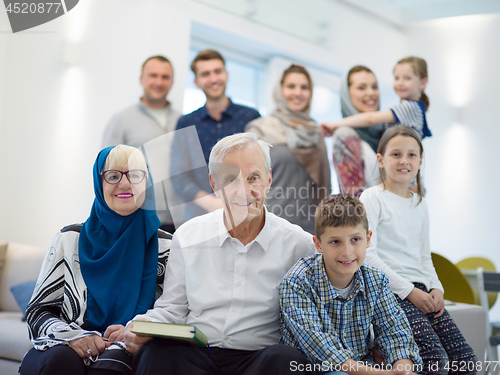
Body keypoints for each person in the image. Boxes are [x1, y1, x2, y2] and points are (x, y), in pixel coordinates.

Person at [125, 133, 318, 375]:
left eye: (254, 178)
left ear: (269, 179)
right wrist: (143, 326)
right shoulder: (188, 236)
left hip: (259, 361)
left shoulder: (299, 244)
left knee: (287, 359)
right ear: (214, 185)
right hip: (196, 355)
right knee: (156, 354)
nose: (244, 191)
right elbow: (172, 308)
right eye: (231, 180)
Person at [19, 145, 171, 375]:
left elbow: (178, 312)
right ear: (99, 184)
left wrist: (135, 329)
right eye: (112, 176)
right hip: (68, 344)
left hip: (133, 349)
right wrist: (73, 337)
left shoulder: (168, 246)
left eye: (135, 175)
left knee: (113, 365)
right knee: (58, 361)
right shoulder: (69, 239)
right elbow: (38, 311)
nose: (125, 184)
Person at [359, 126, 477, 375]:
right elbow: (368, 256)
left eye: (412, 155)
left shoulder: (420, 203)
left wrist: (437, 288)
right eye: (396, 154)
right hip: (391, 295)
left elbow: (424, 256)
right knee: (435, 360)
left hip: (421, 290)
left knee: (465, 360)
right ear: (380, 160)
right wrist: (410, 291)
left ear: (421, 161)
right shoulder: (372, 198)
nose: (404, 161)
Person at [280, 194, 422, 375]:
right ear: (319, 244)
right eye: (335, 242)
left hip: (365, 367)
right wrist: (386, 374)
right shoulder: (298, 282)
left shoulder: (376, 280)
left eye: (355, 239)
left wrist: (403, 370)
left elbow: (395, 331)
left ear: (368, 239)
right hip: (313, 369)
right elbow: (324, 352)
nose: (347, 252)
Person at [170, 49, 260, 223]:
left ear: (226, 75)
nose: (213, 79)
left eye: (217, 71)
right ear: (196, 81)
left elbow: (261, 166)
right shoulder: (186, 123)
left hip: (246, 215)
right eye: (205, 74)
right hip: (200, 219)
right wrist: (212, 203)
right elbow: (178, 175)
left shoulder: (251, 117)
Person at [246, 64, 331, 234]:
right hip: (269, 229)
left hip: (311, 231)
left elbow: (325, 187)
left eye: (304, 87)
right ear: (280, 90)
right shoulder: (260, 129)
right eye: (291, 86)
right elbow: (248, 185)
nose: (298, 93)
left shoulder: (315, 132)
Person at [102, 55, 182, 234]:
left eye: (165, 77)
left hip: (179, 220)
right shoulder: (121, 120)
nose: (159, 82)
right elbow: (107, 172)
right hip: (136, 217)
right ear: (141, 79)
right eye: (153, 75)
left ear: (172, 82)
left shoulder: (183, 120)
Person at [321, 65, 385, 197]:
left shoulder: (389, 131)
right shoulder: (345, 136)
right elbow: (356, 197)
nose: (371, 93)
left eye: (374, 87)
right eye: (362, 87)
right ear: (347, 94)